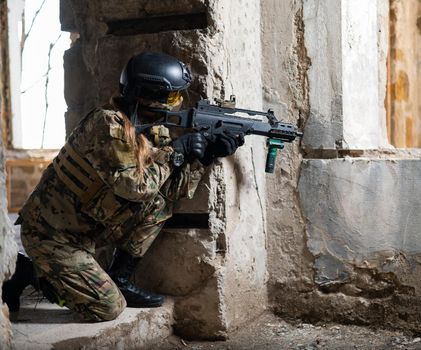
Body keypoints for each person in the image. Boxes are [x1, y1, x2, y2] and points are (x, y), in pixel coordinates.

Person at [2, 52, 244, 321]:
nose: (176, 105)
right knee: (107, 308)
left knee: (160, 205)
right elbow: (135, 187)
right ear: (144, 95)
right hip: (51, 235)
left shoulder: (151, 129)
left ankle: (121, 278)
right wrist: (176, 151)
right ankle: (27, 272)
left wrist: (203, 158)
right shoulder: (107, 124)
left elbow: (168, 192)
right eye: (172, 97)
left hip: (87, 231)